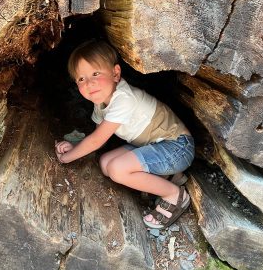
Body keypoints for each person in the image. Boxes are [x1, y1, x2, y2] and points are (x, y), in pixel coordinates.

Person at [55, 39, 195, 229]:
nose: (89, 83)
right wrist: (76, 147)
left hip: (177, 147)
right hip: (152, 146)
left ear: (115, 73)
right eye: (81, 79)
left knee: (117, 169)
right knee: (105, 163)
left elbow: (96, 141)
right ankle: (168, 176)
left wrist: (66, 158)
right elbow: (98, 136)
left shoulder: (123, 98)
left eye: (96, 73)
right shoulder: (101, 103)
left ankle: (173, 194)